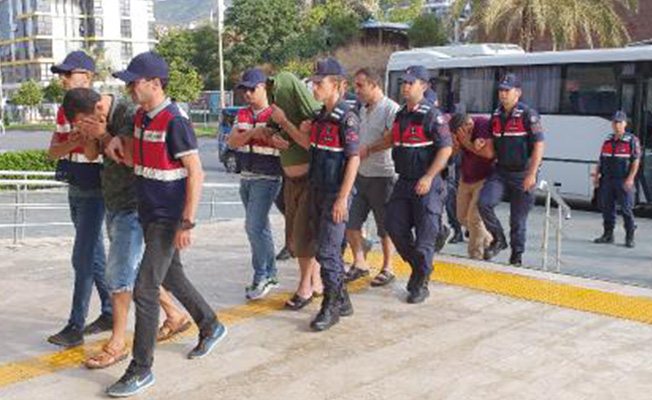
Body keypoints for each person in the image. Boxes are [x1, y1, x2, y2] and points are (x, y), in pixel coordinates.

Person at [105, 52, 226, 397]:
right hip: (147, 212)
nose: (129, 88)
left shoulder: (175, 121)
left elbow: (196, 172)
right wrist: (116, 144)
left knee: (145, 288)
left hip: (167, 218)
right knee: (172, 276)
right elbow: (139, 161)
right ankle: (210, 325)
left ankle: (141, 369)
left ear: (155, 84)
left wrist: (186, 222)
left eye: (134, 82)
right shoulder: (141, 117)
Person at [62, 88, 192, 369]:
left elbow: (130, 158)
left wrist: (102, 135)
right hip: (114, 202)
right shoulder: (97, 117)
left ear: (98, 108)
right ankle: (175, 315)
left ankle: (118, 343)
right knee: (131, 271)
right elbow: (92, 155)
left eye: (82, 121)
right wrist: (88, 136)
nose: (82, 125)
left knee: (118, 275)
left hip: (134, 205)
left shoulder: (128, 114)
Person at [271, 57, 360, 331]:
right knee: (324, 248)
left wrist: (343, 198)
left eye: (320, 83)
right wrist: (290, 126)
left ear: (338, 85)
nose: (314, 88)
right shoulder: (320, 118)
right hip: (317, 189)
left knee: (327, 252)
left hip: (335, 193)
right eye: (313, 83)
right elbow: (309, 145)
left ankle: (330, 307)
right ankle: (342, 300)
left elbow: (354, 159)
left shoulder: (347, 118)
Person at [367, 65, 452, 304]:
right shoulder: (401, 114)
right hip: (404, 181)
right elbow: (391, 139)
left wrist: (429, 177)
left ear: (423, 86)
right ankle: (421, 265)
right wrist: (368, 149)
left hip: (427, 183)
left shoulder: (433, 115)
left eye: (410, 83)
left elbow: (446, 149)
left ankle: (420, 283)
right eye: (403, 82)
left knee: (424, 238)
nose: (405, 86)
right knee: (393, 226)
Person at [46, 51, 112, 348]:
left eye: (68, 73)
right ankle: (109, 311)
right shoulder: (65, 111)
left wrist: (87, 138)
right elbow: (53, 152)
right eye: (61, 74)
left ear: (87, 76)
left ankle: (75, 325)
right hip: (74, 185)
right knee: (94, 255)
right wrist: (72, 140)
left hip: (95, 189)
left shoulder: (101, 109)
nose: (62, 79)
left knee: (82, 257)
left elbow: (99, 153)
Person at [266, 71, 324, 310]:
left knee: (303, 236)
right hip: (290, 181)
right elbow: (270, 130)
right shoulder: (282, 115)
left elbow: (308, 144)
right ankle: (315, 281)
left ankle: (304, 288)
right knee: (297, 235)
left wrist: (285, 123)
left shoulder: (315, 118)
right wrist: (274, 137)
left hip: (309, 181)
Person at [478, 73, 545, 266]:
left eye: (507, 90)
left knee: (517, 220)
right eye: (501, 90)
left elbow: (539, 145)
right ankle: (499, 238)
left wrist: (532, 174)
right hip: (501, 172)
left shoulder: (528, 115)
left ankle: (516, 256)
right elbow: (491, 144)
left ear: (518, 93)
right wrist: (481, 142)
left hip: (523, 174)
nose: (503, 94)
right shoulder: (496, 115)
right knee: (484, 203)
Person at [228, 68, 284, 300]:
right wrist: (253, 133)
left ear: (263, 88)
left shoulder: (275, 114)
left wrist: (264, 134)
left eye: (252, 89)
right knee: (260, 228)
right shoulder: (242, 114)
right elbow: (232, 142)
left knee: (253, 227)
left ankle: (261, 276)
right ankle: (270, 274)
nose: (247, 94)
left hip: (268, 177)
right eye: (244, 90)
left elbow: (283, 143)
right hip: (247, 177)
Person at [346, 68, 399, 286]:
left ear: (374, 85)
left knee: (384, 226)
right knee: (350, 221)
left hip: (383, 175)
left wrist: (369, 149)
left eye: (360, 86)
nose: (356, 90)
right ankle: (360, 263)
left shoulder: (391, 109)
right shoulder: (361, 109)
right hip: (360, 174)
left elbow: (392, 138)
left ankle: (388, 267)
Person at [449, 104, 494, 260]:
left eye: (466, 130)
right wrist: (456, 144)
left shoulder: (483, 125)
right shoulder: (458, 132)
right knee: (461, 217)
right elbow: (453, 153)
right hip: (466, 177)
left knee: (475, 218)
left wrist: (466, 142)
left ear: (468, 124)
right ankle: (489, 240)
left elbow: (488, 154)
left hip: (485, 178)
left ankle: (475, 256)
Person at [593, 111, 640, 248]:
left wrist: (630, 179)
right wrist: (597, 176)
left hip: (623, 180)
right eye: (614, 122)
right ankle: (608, 235)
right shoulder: (608, 140)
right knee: (607, 208)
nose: (616, 125)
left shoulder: (632, 140)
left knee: (626, 210)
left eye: (619, 122)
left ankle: (629, 237)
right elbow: (601, 160)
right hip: (607, 180)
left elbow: (635, 161)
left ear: (625, 123)